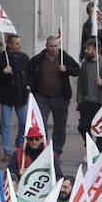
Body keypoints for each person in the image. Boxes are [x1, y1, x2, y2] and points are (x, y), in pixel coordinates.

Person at [27, 35, 80, 170]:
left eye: (56, 46)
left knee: (60, 126)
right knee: (41, 124)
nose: (54, 48)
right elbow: (30, 73)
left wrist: (66, 69)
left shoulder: (63, 56)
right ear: (46, 46)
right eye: (51, 46)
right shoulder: (38, 59)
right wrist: (29, 88)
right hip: (41, 97)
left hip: (60, 98)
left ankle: (56, 150)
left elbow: (77, 70)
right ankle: (42, 148)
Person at [0, 31, 31, 160]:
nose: (19, 46)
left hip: (21, 96)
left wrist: (28, 87)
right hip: (6, 96)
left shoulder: (24, 57)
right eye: (16, 44)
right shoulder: (0, 57)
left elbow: (29, 74)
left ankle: (20, 143)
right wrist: (3, 71)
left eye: (19, 43)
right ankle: (7, 151)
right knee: (6, 125)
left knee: (24, 123)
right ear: (9, 45)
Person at [76, 37, 102, 141]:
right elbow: (80, 82)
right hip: (87, 102)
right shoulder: (85, 65)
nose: (85, 51)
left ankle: (99, 152)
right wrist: (80, 98)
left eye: (88, 49)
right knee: (83, 127)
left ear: (95, 50)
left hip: (101, 103)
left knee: (100, 131)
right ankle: (90, 147)